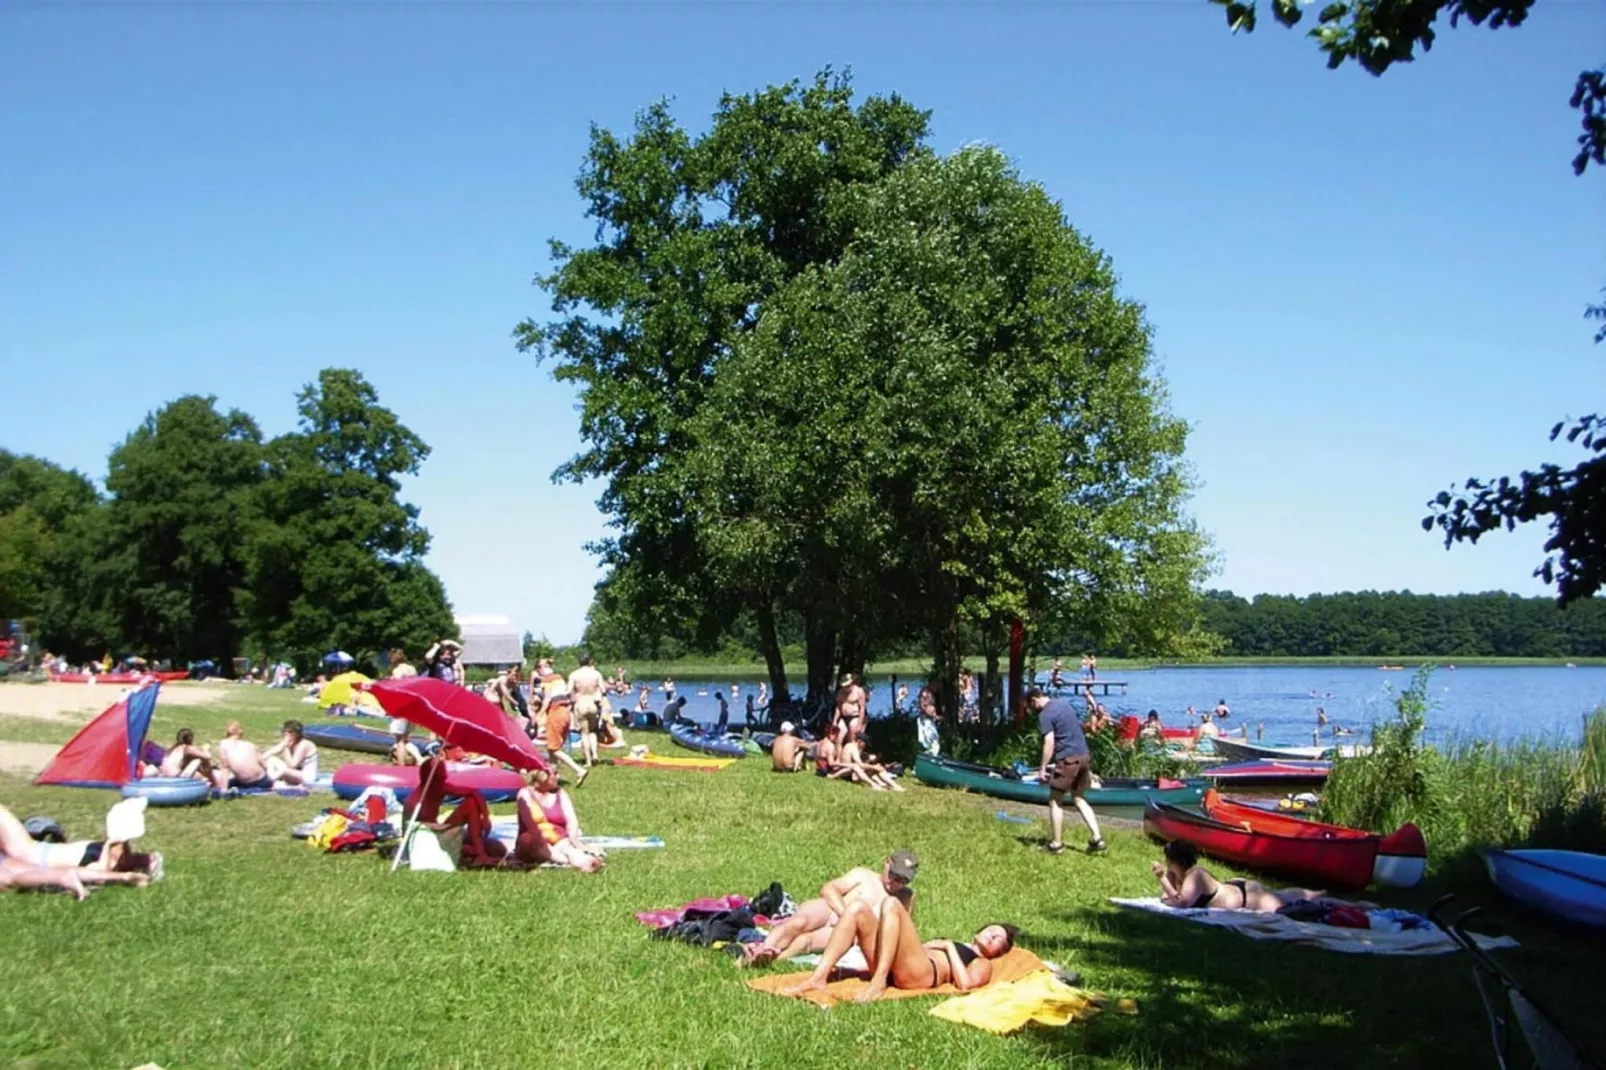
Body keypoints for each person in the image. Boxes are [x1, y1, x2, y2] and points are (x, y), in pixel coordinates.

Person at [781, 898, 1016, 1003]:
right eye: (993, 929)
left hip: (923, 974)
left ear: (998, 952)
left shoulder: (981, 961)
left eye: (998, 939)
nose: (992, 934)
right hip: (904, 964)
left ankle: (879, 982)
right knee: (857, 909)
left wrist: (946, 946)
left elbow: (965, 984)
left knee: (892, 904)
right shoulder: (960, 944)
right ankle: (818, 977)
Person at [740, 851, 919, 967]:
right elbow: (829, 889)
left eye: (903, 881)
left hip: (849, 932)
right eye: (894, 876)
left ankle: (771, 960)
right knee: (798, 922)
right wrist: (844, 914)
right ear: (887, 862)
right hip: (831, 908)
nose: (896, 884)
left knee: (805, 942)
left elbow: (899, 931)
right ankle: (764, 948)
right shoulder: (864, 875)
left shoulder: (905, 897)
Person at [0, 803, 162, 897]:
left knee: (11, 877)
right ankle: (63, 878)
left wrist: (108, 847)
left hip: (29, 852)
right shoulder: (110, 857)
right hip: (31, 853)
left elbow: (98, 876)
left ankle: (63, 878)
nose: (142, 855)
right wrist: (122, 875)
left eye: (142, 858)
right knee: (11, 876)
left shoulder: (106, 860)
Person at [1028, 687, 1106, 856]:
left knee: (1055, 800)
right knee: (1079, 798)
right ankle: (1097, 838)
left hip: (1068, 759)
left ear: (1034, 699)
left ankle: (1056, 844)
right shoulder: (1064, 705)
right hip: (1083, 756)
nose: (1031, 709)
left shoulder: (1045, 715)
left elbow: (1049, 743)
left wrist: (1042, 768)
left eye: (1030, 705)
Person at [1154, 841, 1330, 912]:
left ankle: (1332, 900)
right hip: (1238, 890)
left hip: (1248, 898)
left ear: (1175, 860)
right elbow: (1167, 900)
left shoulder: (1195, 875)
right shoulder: (1182, 876)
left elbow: (1181, 904)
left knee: (1292, 905)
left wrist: (1162, 878)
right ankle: (1319, 894)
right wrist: (1168, 878)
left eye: (1168, 861)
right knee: (1283, 895)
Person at [515, 767, 603, 872]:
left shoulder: (560, 794)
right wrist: (543, 843)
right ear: (543, 776)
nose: (558, 777)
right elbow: (529, 823)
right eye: (555, 774)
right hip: (533, 840)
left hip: (558, 839)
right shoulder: (525, 793)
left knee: (567, 848)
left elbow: (571, 820)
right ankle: (569, 862)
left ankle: (587, 862)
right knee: (543, 847)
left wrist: (574, 840)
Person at [568, 654, 607, 768]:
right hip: (592, 703)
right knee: (593, 731)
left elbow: (568, 690)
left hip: (581, 703)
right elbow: (603, 690)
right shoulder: (596, 673)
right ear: (589, 661)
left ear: (579, 662)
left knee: (584, 733)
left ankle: (588, 761)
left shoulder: (574, 674)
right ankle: (595, 754)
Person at [212, 721, 272, 793]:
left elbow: (225, 768)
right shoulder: (250, 745)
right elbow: (265, 766)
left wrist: (224, 788)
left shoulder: (223, 744)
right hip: (262, 781)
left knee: (229, 781)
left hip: (246, 783)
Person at [262, 720, 319, 787]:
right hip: (294, 772)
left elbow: (292, 765)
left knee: (284, 770)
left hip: (307, 777)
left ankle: (268, 782)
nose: (287, 734)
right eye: (285, 731)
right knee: (271, 759)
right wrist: (260, 760)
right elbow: (269, 753)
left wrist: (286, 747)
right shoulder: (289, 743)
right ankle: (268, 778)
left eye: (291, 732)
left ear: (298, 734)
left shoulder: (304, 744)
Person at [916, 687, 941, 757]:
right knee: (934, 744)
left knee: (933, 744)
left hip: (927, 721)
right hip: (926, 722)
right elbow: (927, 708)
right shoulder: (926, 697)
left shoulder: (929, 697)